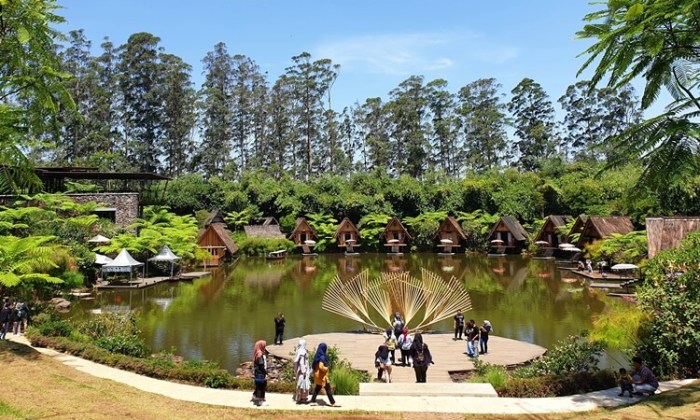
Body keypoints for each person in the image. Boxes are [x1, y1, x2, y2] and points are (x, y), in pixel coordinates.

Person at [293, 339, 311, 403]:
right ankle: (302, 398)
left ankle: (298, 397)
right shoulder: (303, 352)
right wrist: (304, 371)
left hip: (299, 371)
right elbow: (301, 363)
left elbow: (296, 362)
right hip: (303, 371)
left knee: (299, 384)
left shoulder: (298, 351)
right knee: (303, 384)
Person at [252, 340, 269, 406]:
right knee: (262, 387)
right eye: (264, 345)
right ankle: (261, 401)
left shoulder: (256, 353)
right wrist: (266, 373)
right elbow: (261, 366)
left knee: (258, 386)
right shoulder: (260, 354)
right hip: (260, 374)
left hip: (257, 373)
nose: (265, 346)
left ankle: (255, 396)